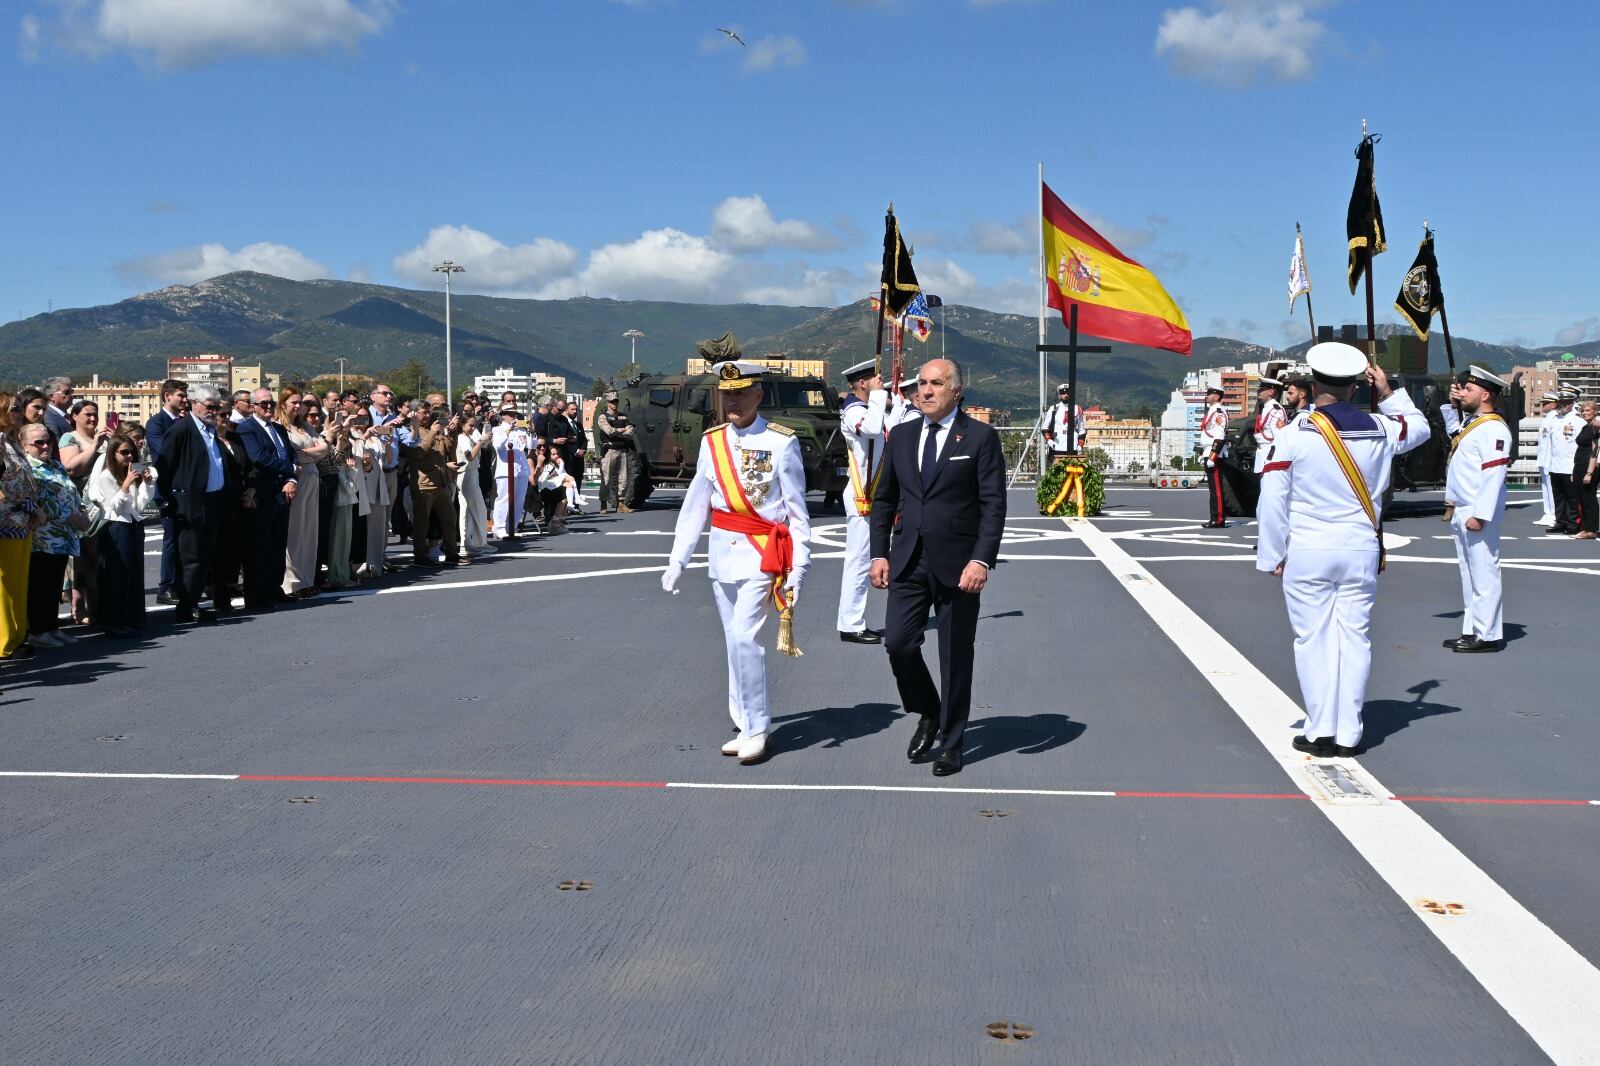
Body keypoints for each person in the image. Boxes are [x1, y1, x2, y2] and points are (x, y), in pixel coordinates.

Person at [1255, 345, 1431, 757]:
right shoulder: (1381, 428)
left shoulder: (1294, 433)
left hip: (1311, 547)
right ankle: (1350, 731)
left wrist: (1272, 554)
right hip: (1360, 548)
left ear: (1313, 385)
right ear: (1356, 386)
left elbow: (1274, 499)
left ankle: (1321, 730)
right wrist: (1388, 391)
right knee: (1355, 638)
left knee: (1313, 639)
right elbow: (1418, 427)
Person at [663, 361, 811, 765]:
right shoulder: (711, 442)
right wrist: (679, 556)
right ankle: (743, 721)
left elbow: (797, 513)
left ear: (758, 396)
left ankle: (758, 727)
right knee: (733, 641)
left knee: (746, 638)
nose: (733, 400)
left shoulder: (782, 442)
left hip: (763, 554)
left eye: (741, 393)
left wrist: (798, 567)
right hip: (721, 554)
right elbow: (696, 504)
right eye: (727, 393)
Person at [869, 357, 1006, 777]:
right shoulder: (903, 435)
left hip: (958, 564)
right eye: (921, 384)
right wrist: (878, 552)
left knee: (954, 656)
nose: (924, 391)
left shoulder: (980, 438)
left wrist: (981, 559)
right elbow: (885, 498)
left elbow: (993, 504)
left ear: (956, 391)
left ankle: (952, 741)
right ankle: (929, 709)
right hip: (908, 557)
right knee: (898, 643)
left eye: (935, 384)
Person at [1443, 367, 1514, 653]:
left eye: (1468, 390)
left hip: (1476, 509)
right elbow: (1453, 430)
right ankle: (1472, 630)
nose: (1463, 392)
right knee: (1468, 573)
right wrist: (1452, 403)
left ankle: (1488, 635)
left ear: (1486, 395)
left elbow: (1493, 475)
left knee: (1484, 571)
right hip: (1463, 507)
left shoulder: (1494, 428)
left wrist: (1481, 514)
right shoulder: (1474, 424)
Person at [153, 383, 232, 623]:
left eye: (217, 407)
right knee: (191, 558)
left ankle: (194, 601)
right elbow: (164, 466)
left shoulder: (209, 431)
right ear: (195, 404)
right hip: (189, 504)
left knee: (205, 557)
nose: (214, 411)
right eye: (210, 406)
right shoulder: (182, 430)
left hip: (212, 502)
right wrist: (166, 501)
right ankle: (187, 607)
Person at [836, 357, 888, 644]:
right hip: (861, 494)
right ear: (861, 383)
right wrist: (879, 396)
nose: (881, 385)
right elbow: (869, 429)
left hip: (874, 492)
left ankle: (853, 620)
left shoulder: (869, 408)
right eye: (875, 381)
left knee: (866, 557)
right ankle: (851, 623)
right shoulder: (853, 411)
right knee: (858, 560)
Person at [20, 423, 87, 648]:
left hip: (63, 538)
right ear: (24, 445)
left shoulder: (55, 465)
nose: (46, 445)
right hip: (43, 537)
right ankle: (38, 630)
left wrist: (81, 512)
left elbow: (69, 491)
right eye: (39, 442)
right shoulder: (28, 468)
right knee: (40, 585)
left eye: (48, 440)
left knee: (53, 586)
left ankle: (51, 626)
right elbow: (37, 501)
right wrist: (71, 516)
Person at [233, 388, 299, 612]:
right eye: (263, 404)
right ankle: (258, 594)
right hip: (261, 494)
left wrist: (291, 478)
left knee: (278, 543)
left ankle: (274, 588)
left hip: (283, 493)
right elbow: (259, 458)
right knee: (260, 545)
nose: (268, 407)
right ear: (252, 407)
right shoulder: (247, 429)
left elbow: (290, 455)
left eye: (271, 403)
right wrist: (290, 469)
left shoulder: (279, 428)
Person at [85, 430, 153, 638]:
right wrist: (124, 486)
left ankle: (132, 618)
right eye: (124, 452)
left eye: (132, 452)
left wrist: (147, 484)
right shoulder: (106, 476)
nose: (130, 456)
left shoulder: (129, 473)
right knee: (117, 575)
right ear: (113, 453)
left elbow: (139, 505)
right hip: (116, 526)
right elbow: (114, 506)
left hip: (133, 524)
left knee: (133, 575)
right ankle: (114, 621)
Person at [0, 394, 44, 658]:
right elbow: (9, 485)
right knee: (4, 583)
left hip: (21, 521)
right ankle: (5, 640)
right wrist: (33, 508)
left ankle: (17, 635)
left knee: (18, 581)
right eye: (14, 409)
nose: (19, 413)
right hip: (6, 519)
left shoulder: (12, 443)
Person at [278, 389, 326, 596]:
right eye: (293, 403)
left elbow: (325, 448)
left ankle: (306, 579)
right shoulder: (280, 427)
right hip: (295, 479)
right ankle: (292, 583)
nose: (298, 407)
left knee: (309, 532)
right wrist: (311, 454)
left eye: (300, 403)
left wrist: (306, 455)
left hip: (312, 477)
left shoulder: (304, 426)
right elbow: (290, 455)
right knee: (294, 533)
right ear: (283, 403)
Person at [403, 406, 463, 567]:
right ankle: (420, 556)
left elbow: (449, 449)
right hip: (424, 484)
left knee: (450, 519)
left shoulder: (434, 430)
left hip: (441, 482)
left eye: (429, 412)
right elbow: (417, 453)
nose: (428, 415)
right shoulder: (413, 432)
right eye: (424, 412)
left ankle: (452, 553)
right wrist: (431, 433)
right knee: (422, 522)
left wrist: (451, 433)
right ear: (415, 414)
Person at [208, 412, 252, 612]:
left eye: (227, 414)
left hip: (242, 501)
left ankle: (235, 588)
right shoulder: (209, 440)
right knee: (220, 552)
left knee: (238, 548)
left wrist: (252, 490)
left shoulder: (236, 439)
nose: (224, 418)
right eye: (220, 414)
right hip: (219, 502)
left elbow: (250, 467)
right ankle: (220, 595)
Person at [490, 408, 533, 541]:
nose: (513, 416)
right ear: (503, 416)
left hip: (521, 469)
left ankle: (512, 527)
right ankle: (499, 528)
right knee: (503, 499)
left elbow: (531, 445)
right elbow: (498, 445)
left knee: (519, 499)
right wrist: (509, 430)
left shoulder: (521, 429)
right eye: (509, 414)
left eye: (514, 414)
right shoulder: (497, 429)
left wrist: (532, 431)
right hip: (505, 469)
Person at [1546, 389, 1584, 536]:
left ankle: (1573, 524)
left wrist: (1577, 467)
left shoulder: (1578, 421)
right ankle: (1560, 522)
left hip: (1570, 466)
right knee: (1559, 497)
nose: (1562, 404)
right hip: (1555, 465)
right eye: (1561, 401)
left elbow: (1580, 445)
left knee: (1572, 498)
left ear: (1572, 403)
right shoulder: (1555, 420)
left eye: (1565, 402)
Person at [596, 392, 638, 513]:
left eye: (616, 401)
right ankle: (603, 504)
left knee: (623, 478)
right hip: (609, 451)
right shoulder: (603, 417)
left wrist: (620, 431)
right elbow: (609, 431)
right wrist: (623, 430)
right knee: (606, 478)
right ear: (608, 403)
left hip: (622, 450)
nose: (615, 403)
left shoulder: (623, 416)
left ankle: (621, 504)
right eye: (612, 401)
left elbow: (631, 431)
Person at [455, 415, 492, 555]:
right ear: (462, 425)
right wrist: (480, 443)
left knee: (472, 511)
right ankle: (473, 543)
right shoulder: (462, 438)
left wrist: (482, 442)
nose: (473, 428)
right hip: (467, 473)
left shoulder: (467, 438)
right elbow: (469, 457)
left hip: (471, 474)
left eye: (474, 425)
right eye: (470, 425)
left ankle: (473, 542)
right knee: (474, 510)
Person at [1199, 383, 1230, 528]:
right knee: (1213, 488)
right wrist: (1204, 454)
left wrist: (1212, 456)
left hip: (1214, 454)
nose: (1207, 396)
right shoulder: (1212, 410)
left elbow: (1219, 436)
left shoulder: (1217, 412)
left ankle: (1218, 519)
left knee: (1216, 488)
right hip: (1210, 451)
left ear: (1216, 396)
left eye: (1210, 393)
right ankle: (1215, 517)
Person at [535, 443, 577, 534]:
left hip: (551, 486)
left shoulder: (554, 464)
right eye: (553, 454)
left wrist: (561, 464)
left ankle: (557, 520)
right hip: (543, 488)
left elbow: (563, 475)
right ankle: (555, 521)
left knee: (569, 487)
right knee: (566, 490)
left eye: (557, 454)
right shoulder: (544, 463)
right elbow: (541, 479)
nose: (556, 456)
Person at [1572, 400, 1599, 540]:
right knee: (1581, 499)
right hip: (1579, 465)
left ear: (1595, 411)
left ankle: (1592, 530)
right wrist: (1574, 470)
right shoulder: (1585, 427)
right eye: (1583, 411)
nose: (1585, 413)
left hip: (1589, 467)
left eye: (1588, 410)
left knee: (1589, 499)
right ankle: (1584, 528)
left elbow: (1595, 451)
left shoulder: (1596, 428)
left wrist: (1589, 472)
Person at [1251, 376, 1287, 475]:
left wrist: (1271, 459)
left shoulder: (1276, 410)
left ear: (1271, 392)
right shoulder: (1266, 408)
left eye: (1262, 389)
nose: (1259, 392)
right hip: (1262, 452)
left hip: (1270, 454)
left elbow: (1279, 438)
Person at [1041, 383, 1085, 463]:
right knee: (1057, 469)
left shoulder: (1077, 409)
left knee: (1073, 469)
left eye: (1068, 392)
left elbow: (1082, 429)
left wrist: (1080, 444)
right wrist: (1049, 440)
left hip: (1073, 443)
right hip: (1058, 443)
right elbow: (1044, 428)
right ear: (1059, 395)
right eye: (1063, 393)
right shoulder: (1054, 409)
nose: (1066, 395)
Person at [1533, 392, 1559, 527]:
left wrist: (1549, 460)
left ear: (1554, 404)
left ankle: (1553, 514)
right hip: (1543, 459)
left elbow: (1553, 442)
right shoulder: (1547, 418)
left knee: (1551, 488)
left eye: (1546, 403)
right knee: (1546, 488)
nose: (1543, 405)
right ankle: (1548, 513)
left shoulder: (1554, 418)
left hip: (1549, 460)